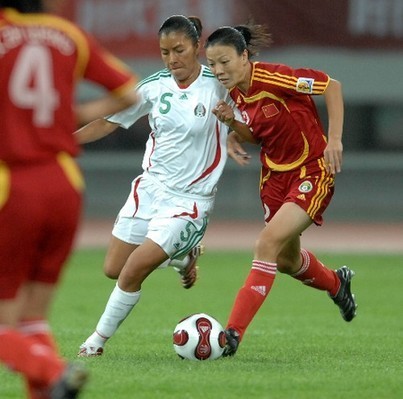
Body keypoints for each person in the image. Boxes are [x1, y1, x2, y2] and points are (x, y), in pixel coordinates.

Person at [75, 15, 249, 357]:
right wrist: (60, 144)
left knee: (133, 271)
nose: (172, 59)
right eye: (165, 52)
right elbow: (107, 123)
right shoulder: (154, 86)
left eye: (179, 50)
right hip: (149, 190)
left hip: (189, 201)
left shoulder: (220, 84)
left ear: (197, 47)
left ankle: (94, 343)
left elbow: (247, 120)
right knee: (113, 269)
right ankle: (182, 258)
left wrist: (231, 133)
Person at [0, 0, 139, 397]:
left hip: (13, 184)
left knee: (5, 326)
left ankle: (54, 370)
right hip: (65, 183)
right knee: (32, 320)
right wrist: (68, 114)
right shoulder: (68, 36)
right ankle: (50, 383)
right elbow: (129, 93)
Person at [204, 22, 358, 356]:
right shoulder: (232, 93)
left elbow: (332, 86)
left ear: (244, 56)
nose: (218, 70)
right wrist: (233, 125)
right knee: (286, 260)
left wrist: (334, 140)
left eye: (225, 62)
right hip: (274, 178)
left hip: (313, 169)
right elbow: (258, 135)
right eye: (212, 64)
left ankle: (231, 334)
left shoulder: (276, 77)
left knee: (266, 243)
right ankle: (336, 283)